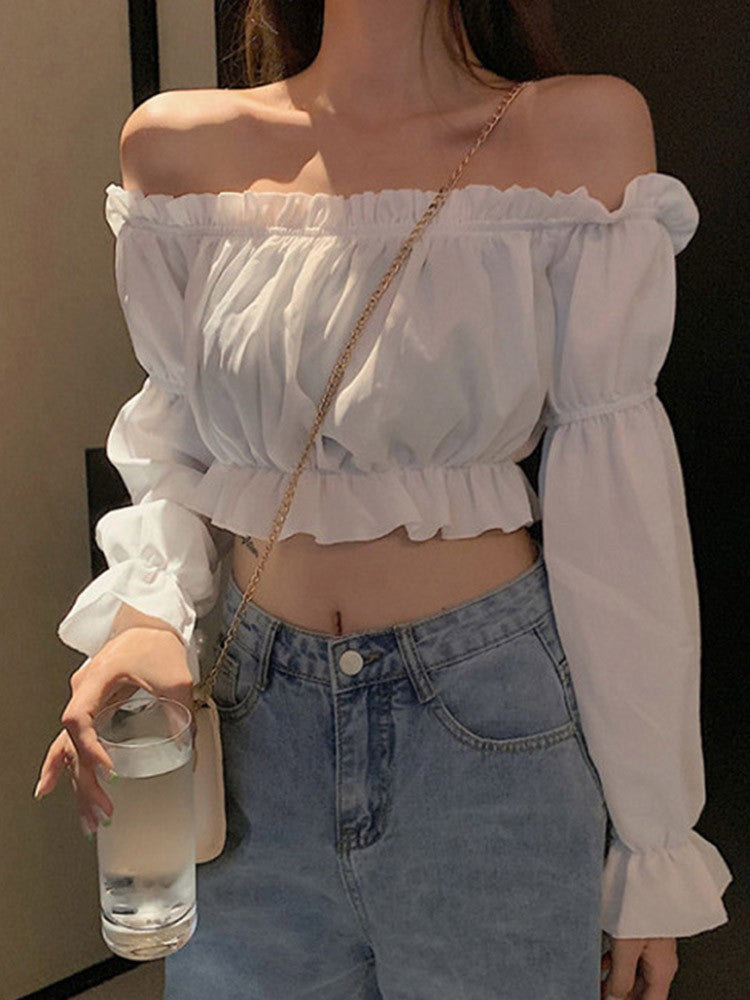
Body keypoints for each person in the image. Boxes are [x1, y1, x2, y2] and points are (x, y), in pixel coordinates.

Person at [34, 1, 732, 997]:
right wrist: (147, 616)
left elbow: (616, 505)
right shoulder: (180, 150)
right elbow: (175, 434)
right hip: (253, 734)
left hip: (487, 735)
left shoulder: (578, 134)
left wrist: (654, 842)